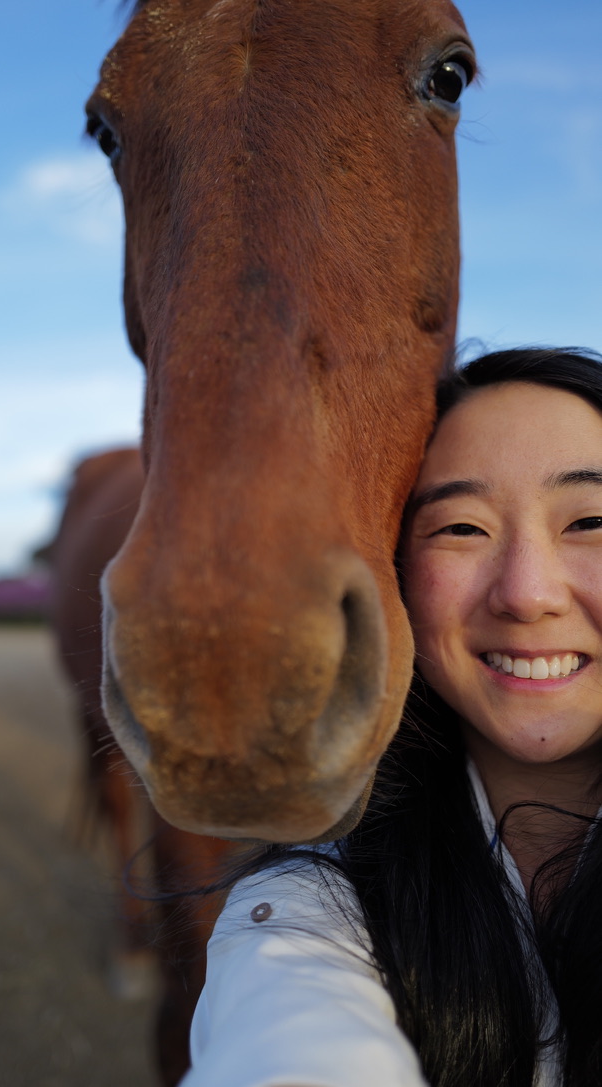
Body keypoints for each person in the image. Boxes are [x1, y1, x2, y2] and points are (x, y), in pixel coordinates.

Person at [180, 347, 602, 1087]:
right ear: (392, 573)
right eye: (460, 528)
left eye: (590, 519)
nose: (527, 592)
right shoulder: (308, 907)